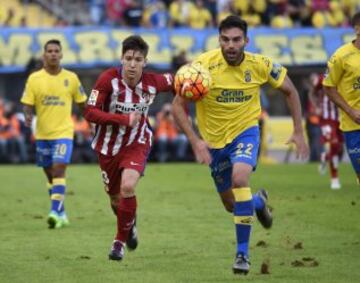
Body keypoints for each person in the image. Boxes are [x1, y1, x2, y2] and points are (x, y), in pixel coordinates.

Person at [172, 15, 309, 275]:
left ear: (246, 40)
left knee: (240, 177)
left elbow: (290, 91)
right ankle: (258, 203)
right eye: (225, 40)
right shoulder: (202, 67)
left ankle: (242, 255)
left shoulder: (261, 64)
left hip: (246, 132)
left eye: (236, 40)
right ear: (219, 40)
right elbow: (178, 106)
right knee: (231, 204)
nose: (231, 45)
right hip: (213, 141)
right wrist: (195, 141)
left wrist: (299, 131)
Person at [84, 35, 174, 261]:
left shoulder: (154, 82)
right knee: (116, 200)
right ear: (121, 59)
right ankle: (130, 224)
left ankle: (118, 243)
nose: (133, 64)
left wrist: (197, 71)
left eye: (138, 59)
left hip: (137, 141)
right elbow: (89, 112)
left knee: (128, 187)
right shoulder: (107, 80)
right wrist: (122, 119)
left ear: (145, 62)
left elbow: (181, 80)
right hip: (107, 147)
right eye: (129, 58)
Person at [21, 39, 87, 229]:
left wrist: (91, 121)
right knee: (50, 176)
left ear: (61, 55)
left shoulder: (72, 78)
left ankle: (53, 211)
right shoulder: (34, 79)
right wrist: (27, 116)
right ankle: (62, 213)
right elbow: (27, 103)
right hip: (42, 134)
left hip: (64, 132)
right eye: (49, 51)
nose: (53, 54)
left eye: (56, 51)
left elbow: (82, 103)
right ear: (44, 55)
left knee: (59, 170)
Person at [323, 11, 360, 186]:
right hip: (354, 126)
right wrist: (351, 110)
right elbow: (328, 87)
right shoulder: (341, 56)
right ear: (357, 29)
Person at [310, 73, 343, 189]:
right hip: (326, 118)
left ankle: (325, 157)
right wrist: (316, 107)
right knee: (334, 144)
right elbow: (312, 93)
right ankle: (335, 179)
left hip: (341, 118)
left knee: (339, 148)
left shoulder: (344, 76)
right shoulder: (322, 78)